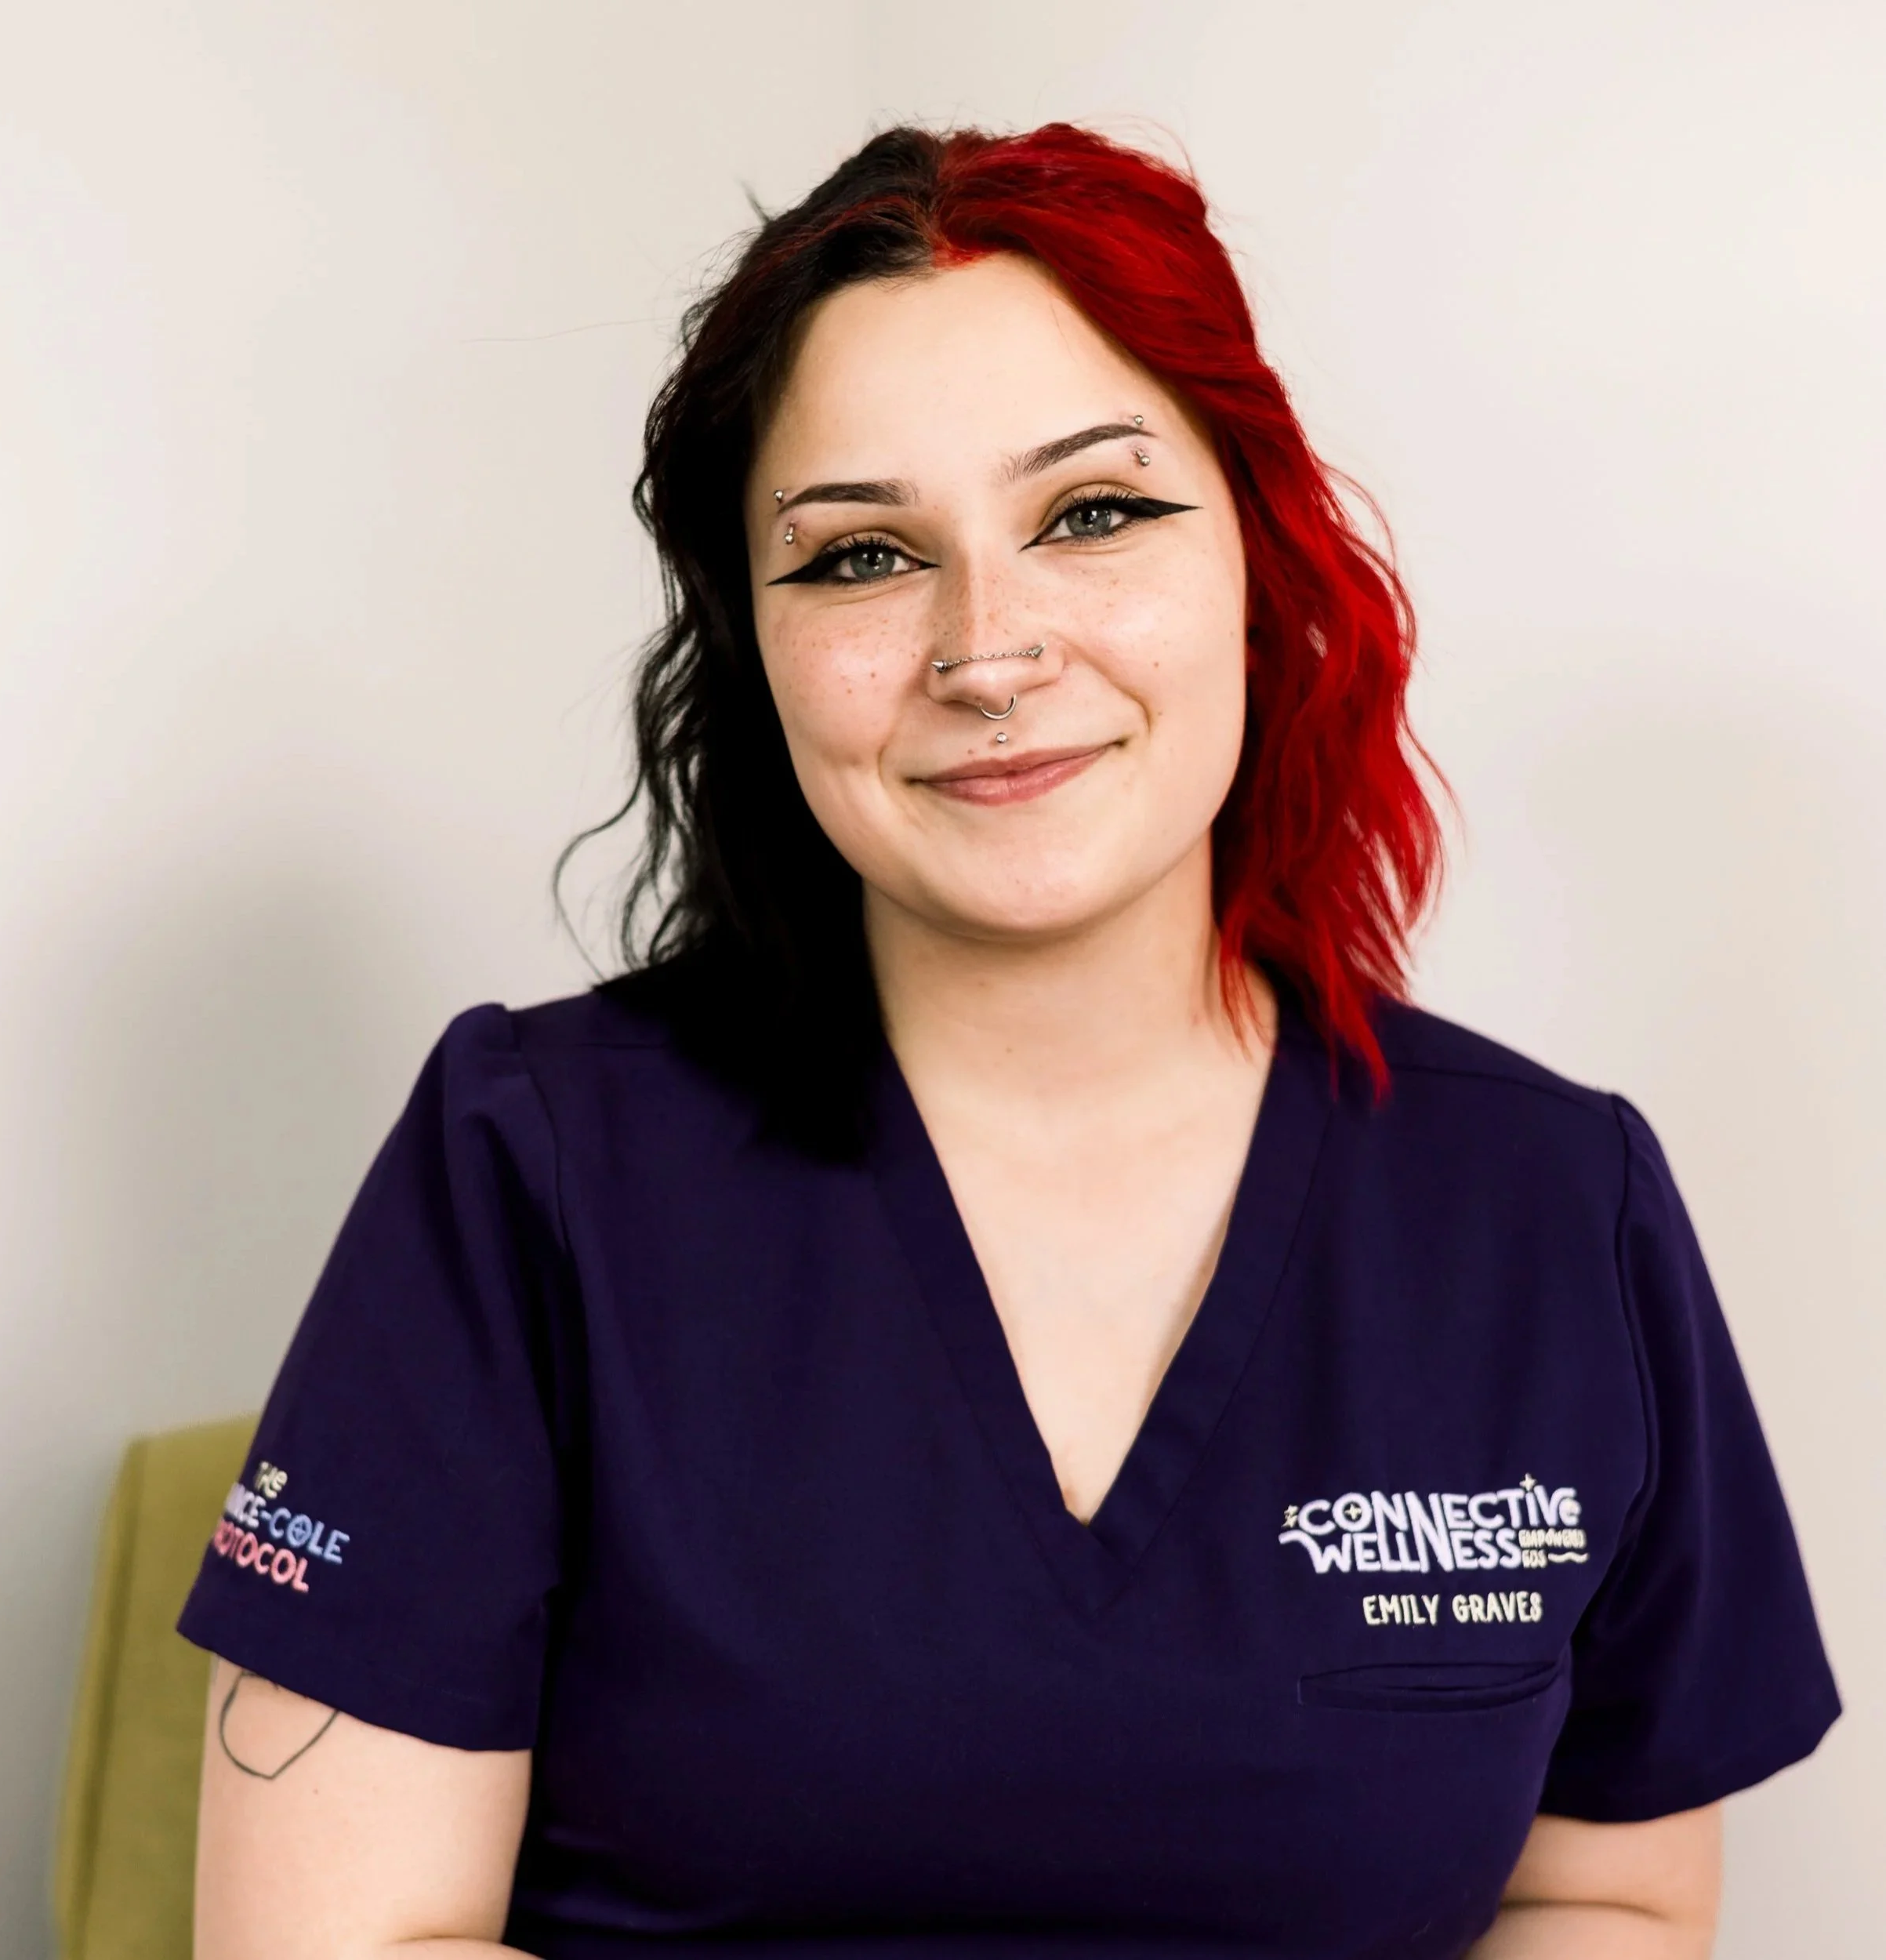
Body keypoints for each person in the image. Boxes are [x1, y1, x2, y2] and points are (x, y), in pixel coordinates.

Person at [178, 123, 1839, 1960]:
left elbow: (1598, 1886)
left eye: (1094, 512)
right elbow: (337, 1937)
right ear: (754, 648)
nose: (986, 646)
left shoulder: (1545, 1203)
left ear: (1259, 561)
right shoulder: (533, 1164)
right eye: (862, 554)